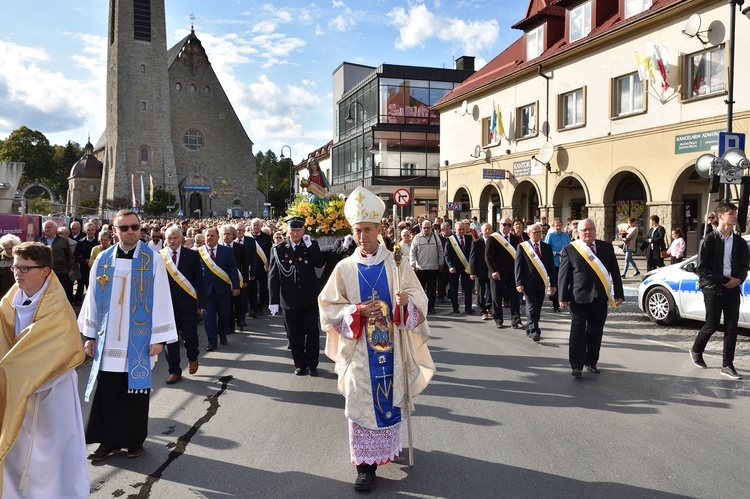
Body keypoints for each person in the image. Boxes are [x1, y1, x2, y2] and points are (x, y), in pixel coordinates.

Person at [318, 186, 436, 492]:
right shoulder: (344, 268)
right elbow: (328, 307)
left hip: (391, 349)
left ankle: (387, 449)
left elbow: (419, 299)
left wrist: (404, 304)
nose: (361, 237)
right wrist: (356, 311)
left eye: (367, 230)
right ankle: (364, 467)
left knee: (389, 398)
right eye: (356, 231)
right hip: (358, 351)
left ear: (379, 228)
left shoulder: (396, 264)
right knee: (359, 400)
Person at [79, 209, 178, 461]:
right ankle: (108, 442)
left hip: (139, 339)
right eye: (124, 228)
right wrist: (90, 336)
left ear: (140, 228)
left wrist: (159, 337)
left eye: (134, 227)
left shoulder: (152, 259)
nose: (130, 231)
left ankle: (134, 441)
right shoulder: (103, 259)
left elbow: (163, 298)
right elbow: (91, 298)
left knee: (135, 393)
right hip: (109, 338)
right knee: (109, 393)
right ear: (114, 231)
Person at [0, 242, 88, 498]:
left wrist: (16, 372)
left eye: (26, 268)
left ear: (45, 271)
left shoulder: (57, 308)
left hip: (51, 389)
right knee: (18, 445)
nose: (18, 273)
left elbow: (57, 351)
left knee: (52, 447)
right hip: (18, 389)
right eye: (16, 266)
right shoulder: (9, 303)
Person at [689, 203, 749, 379]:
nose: (735, 216)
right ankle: (696, 350)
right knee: (712, 324)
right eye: (731, 213)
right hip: (712, 287)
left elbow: (745, 265)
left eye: (735, 213)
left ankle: (727, 365)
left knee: (732, 327)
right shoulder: (708, 240)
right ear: (721, 216)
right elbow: (702, 268)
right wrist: (724, 280)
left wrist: (738, 279)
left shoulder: (739, 242)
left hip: (733, 288)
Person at [558, 219, 624, 377]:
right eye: (584, 230)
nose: (588, 233)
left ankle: (591, 361)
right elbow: (563, 276)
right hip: (578, 297)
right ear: (578, 233)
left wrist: (619, 294)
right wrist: (562, 297)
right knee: (577, 332)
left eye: (590, 229)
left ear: (595, 230)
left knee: (596, 331)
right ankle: (576, 365)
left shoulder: (606, 248)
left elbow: (615, 272)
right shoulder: (570, 249)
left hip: (600, 297)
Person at [268, 218, 325, 375]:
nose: (295, 233)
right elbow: (273, 276)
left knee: (312, 331)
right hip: (289, 299)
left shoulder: (310, 246)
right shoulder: (278, 249)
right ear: (287, 231)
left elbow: (320, 263)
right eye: (292, 230)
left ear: (303, 231)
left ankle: (313, 364)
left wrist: (310, 246)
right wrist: (273, 300)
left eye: (298, 230)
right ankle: (300, 364)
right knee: (294, 334)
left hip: (309, 297)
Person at [161, 226, 206, 384]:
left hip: (188, 303)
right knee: (170, 339)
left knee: (190, 336)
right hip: (167, 306)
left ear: (181, 239)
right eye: (169, 238)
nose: (172, 241)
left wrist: (202, 301)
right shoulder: (160, 256)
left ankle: (193, 357)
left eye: (175, 238)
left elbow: (199, 280)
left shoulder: (192, 255)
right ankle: (174, 370)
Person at [199, 227, 240, 351]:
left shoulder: (226, 251)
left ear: (218, 237)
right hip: (206, 291)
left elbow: (233, 269)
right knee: (209, 317)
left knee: (224, 315)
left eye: (212, 235)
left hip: (223, 290)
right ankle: (212, 341)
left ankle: (222, 334)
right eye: (207, 236)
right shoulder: (198, 252)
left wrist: (236, 286)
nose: (210, 238)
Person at [515, 224, 557, 342]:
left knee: (537, 308)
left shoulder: (546, 247)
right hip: (528, 283)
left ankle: (530, 327)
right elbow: (518, 266)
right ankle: (535, 331)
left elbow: (551, 267)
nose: (538, 234)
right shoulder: (522, 247)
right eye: (535, 232)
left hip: (542, 283)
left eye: (540, 232)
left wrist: (554, 284)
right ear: (529, 234)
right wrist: (519, 282)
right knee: (531, 307)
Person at [485, 217, 522, 329]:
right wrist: (493, 271)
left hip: (512, 273)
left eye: (509, 225)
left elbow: (518, 257)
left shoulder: (515, 239)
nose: (506, 227)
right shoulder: (493, 238)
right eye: (504, 224)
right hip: (497, 273)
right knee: (497, 297)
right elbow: (488, 256)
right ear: (499, 225)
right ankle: (498, 320)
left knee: (515, 298)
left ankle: (516, 321)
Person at [410, 220, 442, 314]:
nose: (426, 229)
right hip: (421, 268)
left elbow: (440, 250)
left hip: (433, 267)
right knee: (421, 290)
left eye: (428, 228)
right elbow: (412, 252)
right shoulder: (417, 238)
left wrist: (441, 263)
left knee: (432, 290)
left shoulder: (436, 237)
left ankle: (431, 307)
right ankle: (421, 307)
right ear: (421, 228)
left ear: (431, 228)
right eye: (424, 228)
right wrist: (413, 264)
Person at [39, 220, 75, 303]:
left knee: (62, 291)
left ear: (55, 229)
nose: (47, 229)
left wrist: (71, 268)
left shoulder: (63, 240)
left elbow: (70, 256)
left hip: (61, 271)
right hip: (45, 272)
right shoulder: (40, 241)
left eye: (49, 227)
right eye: (45, 228)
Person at [221, 224, 248, 332]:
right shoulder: (219, 248)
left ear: (233, 235)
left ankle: (240, 319)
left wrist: (245, 279)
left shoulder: (240, 247)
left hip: (238, 279)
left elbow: (244, 265)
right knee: (228, 303)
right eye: (224, 234)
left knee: (238, 302)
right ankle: (230, 325)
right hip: (224, 278)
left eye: (228, 234)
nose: (226, 236)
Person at [444, 221, 475, 314]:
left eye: (463, 229)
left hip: (467, 267)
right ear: (455, 230)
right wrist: (451, 266)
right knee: (454, 288)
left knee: (468, 288)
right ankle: (455, 307)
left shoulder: (469, 238)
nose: (461, 231)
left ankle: (468, 307)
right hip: (454, 268)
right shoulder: (450, 240)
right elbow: (447, 255)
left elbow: (472, 253)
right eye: (459, 229)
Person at [248, 218, 272, 316]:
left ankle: (261, 306)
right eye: (254, 225)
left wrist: (269, 265)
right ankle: (254, 307)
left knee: (263, 289)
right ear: (251, 226)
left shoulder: (266, 237)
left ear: (261, 226)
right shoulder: (248, 238)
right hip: (251, 269)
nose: (256, 227)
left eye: (258, 225)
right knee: (252, 289)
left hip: (263, 267)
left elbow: (269, 253)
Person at [544, 218, 568, 312]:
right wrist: (556, 253)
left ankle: (560, 299)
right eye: (556, 226)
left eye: (559, 225)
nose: (558, 227)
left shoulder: (566, 235)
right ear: (553, 227)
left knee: (563, 282)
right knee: (556, 283)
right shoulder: (550, 236)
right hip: (555, 262)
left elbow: (568, 246)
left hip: (564, 262)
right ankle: (556, 305)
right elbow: (546, 249)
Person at [470, 222, 492, 320]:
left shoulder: (494, 242)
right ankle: (483, 311)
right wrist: (472, 272)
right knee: (481, 292)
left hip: (491, 270)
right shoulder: (476, 242)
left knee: (491, 291)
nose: (487, 231)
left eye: (489, 229)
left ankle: (488, 306)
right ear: (481, 231)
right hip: (480, 271)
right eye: (485, 229)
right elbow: (472, 258)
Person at [74, 222, 98, 305]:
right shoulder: (80, 242)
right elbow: (76, 256)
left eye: (92, 230)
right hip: (83, 268)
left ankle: (92, 302)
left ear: (95, 230)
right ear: (85, 231)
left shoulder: (99, 241)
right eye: (88, 230)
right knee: (81, 285)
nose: (91, 232)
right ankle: (78, 300)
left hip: (96, 268)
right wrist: (86, 261)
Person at [437, 221, 452, 303]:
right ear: (442, 230)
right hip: (442, 262)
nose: (448, 231)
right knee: (442, 281)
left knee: (451, 281)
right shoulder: (438, 238)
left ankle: (450, 294)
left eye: (449, 229)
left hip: (450, 262)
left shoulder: (452, 237)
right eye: (447, 229)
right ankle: (441, 295)